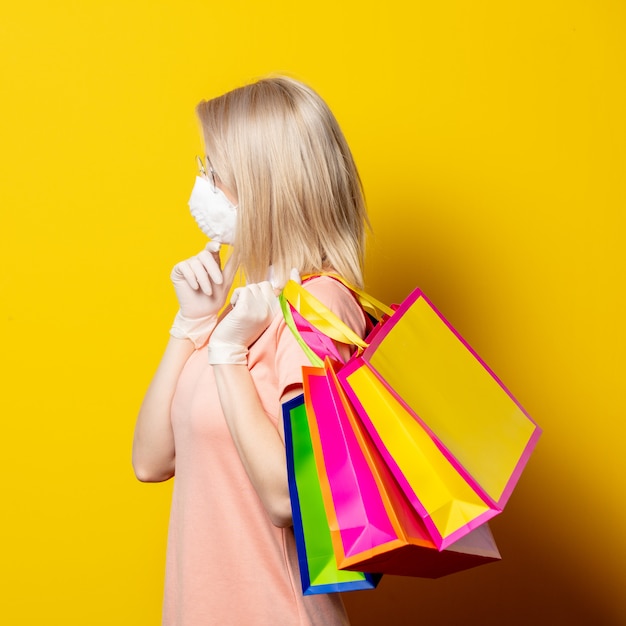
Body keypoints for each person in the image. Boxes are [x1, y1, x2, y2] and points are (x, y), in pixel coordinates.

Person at [132, 76, 369, 626]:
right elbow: (149, 460)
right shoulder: (244, 307)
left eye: (214, 173)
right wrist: (193, 325)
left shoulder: (322, 304)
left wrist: (228, 354)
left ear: (265, 185)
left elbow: (289, 499)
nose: (201, 185)